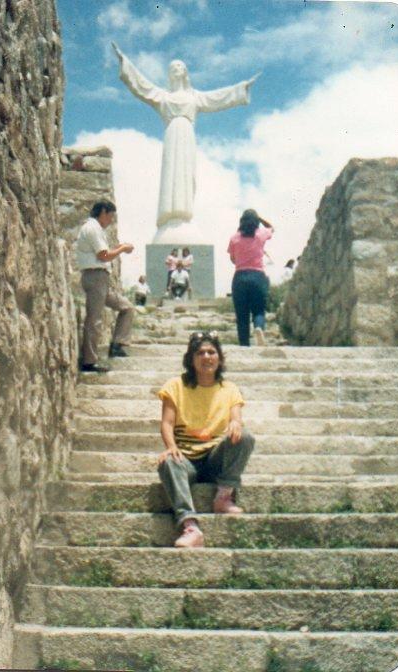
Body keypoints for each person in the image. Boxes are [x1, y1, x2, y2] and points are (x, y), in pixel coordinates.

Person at [112, 42, 260, 241]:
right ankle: (169, 218)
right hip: (172, 135)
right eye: (172, 68)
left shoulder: (194, 97)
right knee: (171, 175)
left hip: (187, 136)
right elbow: (142, 86)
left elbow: (218, 98)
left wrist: (241, 88)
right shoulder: (162, 97)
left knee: (186, 175)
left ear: (185, 72)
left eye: (179, 67)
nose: (175, 70)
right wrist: (126, 64)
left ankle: (183, 216)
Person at [157, 331, 255, 548]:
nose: (207, 357)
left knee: (245, 437)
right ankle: (190, 527)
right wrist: (171, 447)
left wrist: (235, 424)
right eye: (200, 353)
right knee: (167, 461)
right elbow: (167, 423)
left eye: (212, 352)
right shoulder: (175, 385)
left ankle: (223, 497)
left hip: (214, 460)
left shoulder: (229, 389)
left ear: (219, 358)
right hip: (187, 460)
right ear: (191, 359)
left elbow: (237, 419)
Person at [75, 200, 135, 373]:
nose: (111, 220)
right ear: (102, 212)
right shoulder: (92, 228)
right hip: (95, 276)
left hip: (100, 279)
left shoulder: (96, 229)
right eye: (110, 216)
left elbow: (104, 252)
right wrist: (122, 248)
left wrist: (118, 248)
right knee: (94, 320)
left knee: (126, 308)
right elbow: (103, 255)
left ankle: (117, 345)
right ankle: (89, 361)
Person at [227, 209, 274, 347]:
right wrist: (260, 219)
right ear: (256, 222)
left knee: (242, 315)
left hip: (240, 277)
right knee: (259, 310)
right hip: (258, 276)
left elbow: (233, 258)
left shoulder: (234, 238)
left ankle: (244, 345)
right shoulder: (261, 234)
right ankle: (259, 327)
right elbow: (272, 228)